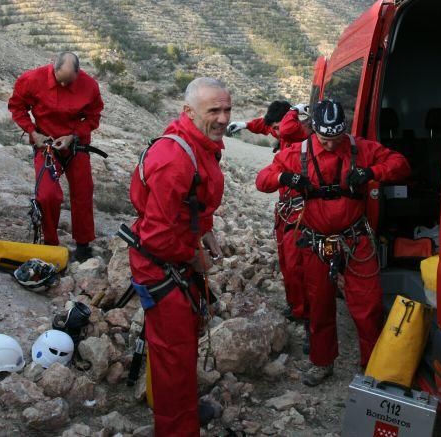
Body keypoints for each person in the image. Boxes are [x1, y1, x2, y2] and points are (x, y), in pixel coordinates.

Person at [256, 100, 410, 386]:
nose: (329, 145)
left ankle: (373, 365)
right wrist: (284, 176)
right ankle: (322, 361)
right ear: (314, 131)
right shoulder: (297, 153)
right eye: (325, 139)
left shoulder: (359, 148)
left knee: (368, 305)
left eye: (335, 139)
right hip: (317, 242)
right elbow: (262, 180)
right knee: (319, 305)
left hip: (355, 240)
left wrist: (372, 173)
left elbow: (400, 164)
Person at [128, 77, 230, 435]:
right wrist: (193, 257)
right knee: (173, 354)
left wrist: (206, 232)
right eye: (213, 110)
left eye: (226, 109)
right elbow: (156, 237)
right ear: (188, 112)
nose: (222, 118)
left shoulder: (202, 145)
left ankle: (183, 409)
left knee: (183, 346)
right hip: (161, 266)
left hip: (177, 259)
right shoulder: (176, 159)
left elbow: (191, 204)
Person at [8, 51, 103, 260]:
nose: (63, 86)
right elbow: (17, 106)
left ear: (78, 74)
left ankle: (83, 245)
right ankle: (51, 244)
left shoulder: (90, 87)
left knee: (83, 192)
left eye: (68, 83)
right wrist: (33, 132)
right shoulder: (32, 80)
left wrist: (74, 135)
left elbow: (93, 117)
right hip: (47, 144)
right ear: (54, 67)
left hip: (76, 145)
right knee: (47, 195)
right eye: (60, 81)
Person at [228, 102, 311, 328]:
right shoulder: (283, 131)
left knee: (296, 264)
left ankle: (307, 314)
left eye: (278, 125)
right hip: (287, 207)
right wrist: (244, 124)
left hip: (302, 209)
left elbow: (282, 129)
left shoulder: (297, 133)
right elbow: (266, 127)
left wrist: (294, 110)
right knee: (287, 261)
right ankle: (297, 307)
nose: (275, 131)